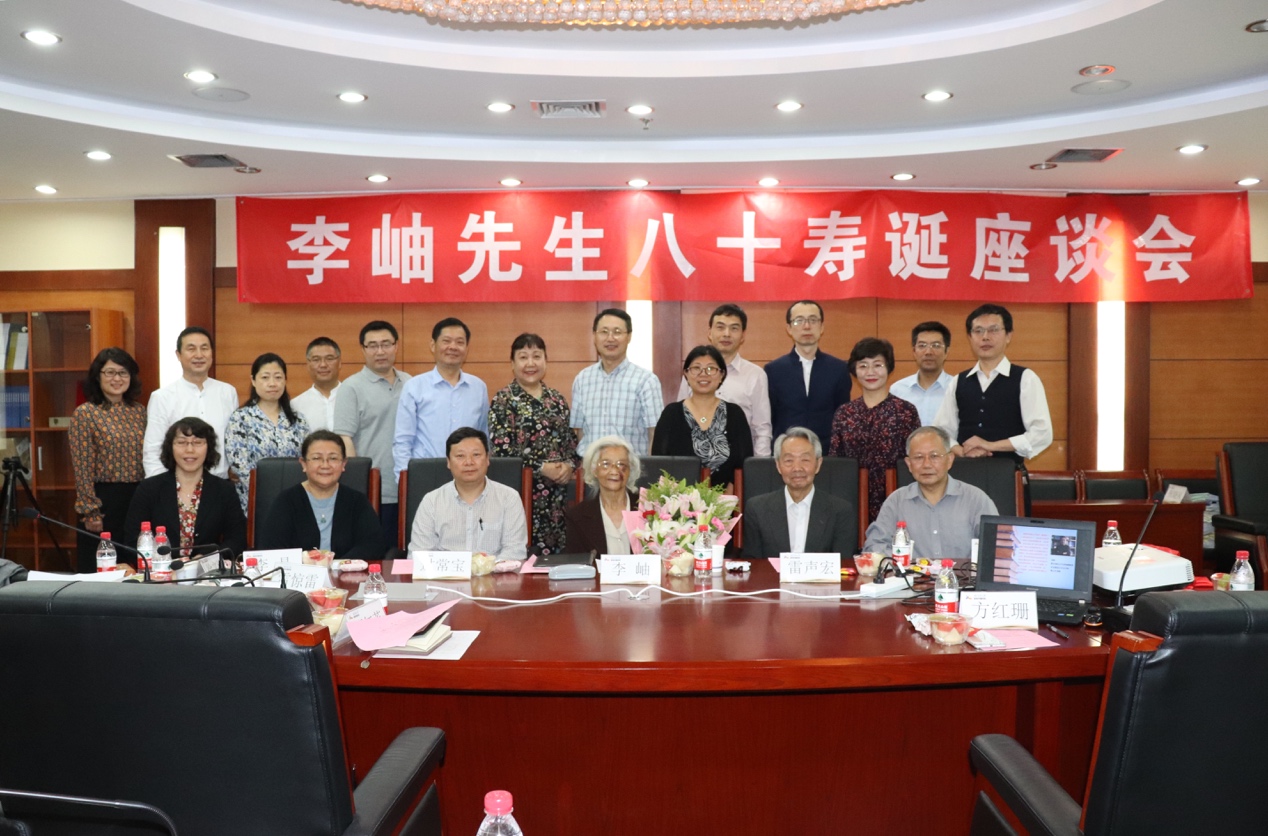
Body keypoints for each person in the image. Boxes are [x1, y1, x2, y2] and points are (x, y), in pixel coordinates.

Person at [488, 333, 577, 556]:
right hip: (520, 492)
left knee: (556, 558)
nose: (530, 363)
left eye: (537, 356)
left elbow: (571, 443)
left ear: (546, 361)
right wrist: (541, 467)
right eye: (523, 357)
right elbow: (502, 450)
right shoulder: (503, 400)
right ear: (512, 363)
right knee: (520, 555)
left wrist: (569, 466)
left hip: (557, 496)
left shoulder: (557, 399)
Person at [933, 303, 1053, 463]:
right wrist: (960, 451)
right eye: (978, 331)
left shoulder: (1026, 378)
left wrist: (991, 445)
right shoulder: (958, 381)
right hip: (963, 471)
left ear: (1008, 335)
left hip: (1008, 472)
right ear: (970, 337)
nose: (985, 337)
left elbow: (1042, 433)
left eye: (994, 330)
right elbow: (941, 431)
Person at [864, 426, 998, 561]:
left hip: (963, 574)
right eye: (918, 457)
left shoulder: (976, 500)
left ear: (950, 460)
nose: (926, 464)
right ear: (909, 464)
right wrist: (903, 564)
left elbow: (997, 548)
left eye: (934, 456)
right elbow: (874, 547)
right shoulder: (896, 501)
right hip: (911, 574)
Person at [333, 320, 411, 547]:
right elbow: (344, 438)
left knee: (407, 554)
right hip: (375, 490)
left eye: (386, 344)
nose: (380, 351)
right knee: (377, 555)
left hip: (409, 486)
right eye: (373, 345)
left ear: (396, 346)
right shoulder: (351, 387)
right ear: (363, 349)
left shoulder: (411, 383)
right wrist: (360, 484)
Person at [68, 347, 146, 573]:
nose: (117, 379)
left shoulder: (140, 412)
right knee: (103, 568)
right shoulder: (86, 413)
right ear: (97, 376)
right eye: (110, 372)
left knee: (134, 566)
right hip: (103, 501)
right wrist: (90, 510)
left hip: (137, 497)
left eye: (123, 373)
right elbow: (82, 466)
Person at [124, 417, 246, 560]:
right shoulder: (149, 488)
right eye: (181, 442)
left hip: (207, 570)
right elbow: (132, 540)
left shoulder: (224, 490)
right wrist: (163, 561)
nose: (189, 450)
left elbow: (237, 540)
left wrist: (208, 557)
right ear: (170, 447)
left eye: (197, 443)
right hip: (160, 569)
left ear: (209, 447)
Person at [828, 337, 922, 523]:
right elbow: (836, 461)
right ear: (854, 370)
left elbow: (915, 458)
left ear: (889, 368)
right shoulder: (844, 413)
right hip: (853, 498)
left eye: (877, 365)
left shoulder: (905, 411)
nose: (870, 372)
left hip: (897, 496)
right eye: (863, 366)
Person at [256, 430, 384, 559]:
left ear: (343, 464)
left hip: (345, 570)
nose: (325, 465)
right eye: (317, 458)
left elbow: (373, 545)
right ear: (304, 464)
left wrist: (338, 566)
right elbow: (271, 549)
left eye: (333, 458)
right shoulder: (286, 501)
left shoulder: (357, 501)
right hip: (299, 571)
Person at [407, 427, 527, 561]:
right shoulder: (431, 501)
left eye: (476, 455)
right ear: (448, 462)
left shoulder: (509, 498)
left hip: (494, 573)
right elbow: (419, 555)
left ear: (487, 458)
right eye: (460, 456)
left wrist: (485, 569)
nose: (469, 462)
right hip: (444, 573)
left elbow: (514, 553)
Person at [393, 317, 489, 480]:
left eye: (459, 342)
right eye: (446, 341)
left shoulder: (478, 387)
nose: (453, 347)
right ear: (433, 345)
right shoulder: (414, 387)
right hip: (426, 473)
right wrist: (404, 480)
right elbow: (403, 440)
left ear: (467, 348)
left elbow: (483, 436)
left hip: (468, 474)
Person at [741, 428, 856, 559]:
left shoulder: (840, 511)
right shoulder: (757, 509)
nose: (797, 468)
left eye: (805, 460)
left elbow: (843, 564)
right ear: (778, 466)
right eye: (789, 460)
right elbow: (753, 563)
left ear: (818, 464)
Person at [675, 303, 772, 456]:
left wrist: (758, 465)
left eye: (734, 328)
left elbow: (762, 428)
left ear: (743, 335)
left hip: (738, 459)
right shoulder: (694, 372)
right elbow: (680, 417)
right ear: (710, 333)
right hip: (694, 458)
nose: (726, 334)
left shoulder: (755, 375)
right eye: (720, 327)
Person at [653, 345, 753, 490]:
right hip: (678, 500)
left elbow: (744, 463)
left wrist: (729, 497)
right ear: (686, 374)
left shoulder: (735, 414)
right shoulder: (671, 414)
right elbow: (659, 463)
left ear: (721, 374)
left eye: (711, 368)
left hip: (726, 499)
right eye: (696, 368)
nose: (703, 374)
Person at [142, 326, 238, 477]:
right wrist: (160, 486)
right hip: (177, 483)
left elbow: (235, 442)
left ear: (212, 353)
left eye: (204, 348)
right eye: (191, 349)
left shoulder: (227, 392)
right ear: (178, 355)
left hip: (220, 482)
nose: (199, 355)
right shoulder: (162, 397)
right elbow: (153, 450)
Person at [570, 307, 663, 457]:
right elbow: (580, 431)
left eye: (617, 332)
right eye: (604, 332)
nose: (610, 338)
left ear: (629, 336)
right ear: (594, 336)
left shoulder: (646, 381)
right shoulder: (582, 379)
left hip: (630, 467)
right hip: (592, 467)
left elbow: (655, 433)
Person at [224, 353, 309, 514]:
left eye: (278, 377)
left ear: (285, 380)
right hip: (254, 501)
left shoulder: (298, 420)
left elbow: (307, 459)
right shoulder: (241, 418)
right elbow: (238, 463)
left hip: (294, 500)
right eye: (265, 377)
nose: (272, 383)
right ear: (253, 380)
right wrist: (266, 491)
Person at [765, 300, 851, 444]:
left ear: (821, 327)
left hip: (827, 451)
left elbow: (842, 417)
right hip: (787, 450)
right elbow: (771, 417)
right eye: (799, 321)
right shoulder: (773, 370)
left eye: (813, 320)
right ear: (789, 328)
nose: (807, 326)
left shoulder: (839, 369)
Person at [565, 436, 642, 556]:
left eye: (621, 464)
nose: (614, 471)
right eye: (606, 464)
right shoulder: (577, 517)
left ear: (630, 470)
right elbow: (576, 563)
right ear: (594, 470)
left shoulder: (648, 508)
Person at [890, 321, 956, 426]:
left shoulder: (956, 388)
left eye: (936, 345)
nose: (928, 352)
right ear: (914, 351)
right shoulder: (897, 390)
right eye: (922, 345)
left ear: (947, 351)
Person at [290, 337, 342, 431]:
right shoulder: (295, 406)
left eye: (329, 359)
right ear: (308, 364)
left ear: (340, 363)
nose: (323, 365)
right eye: (316, 359)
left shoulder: (355, 398)